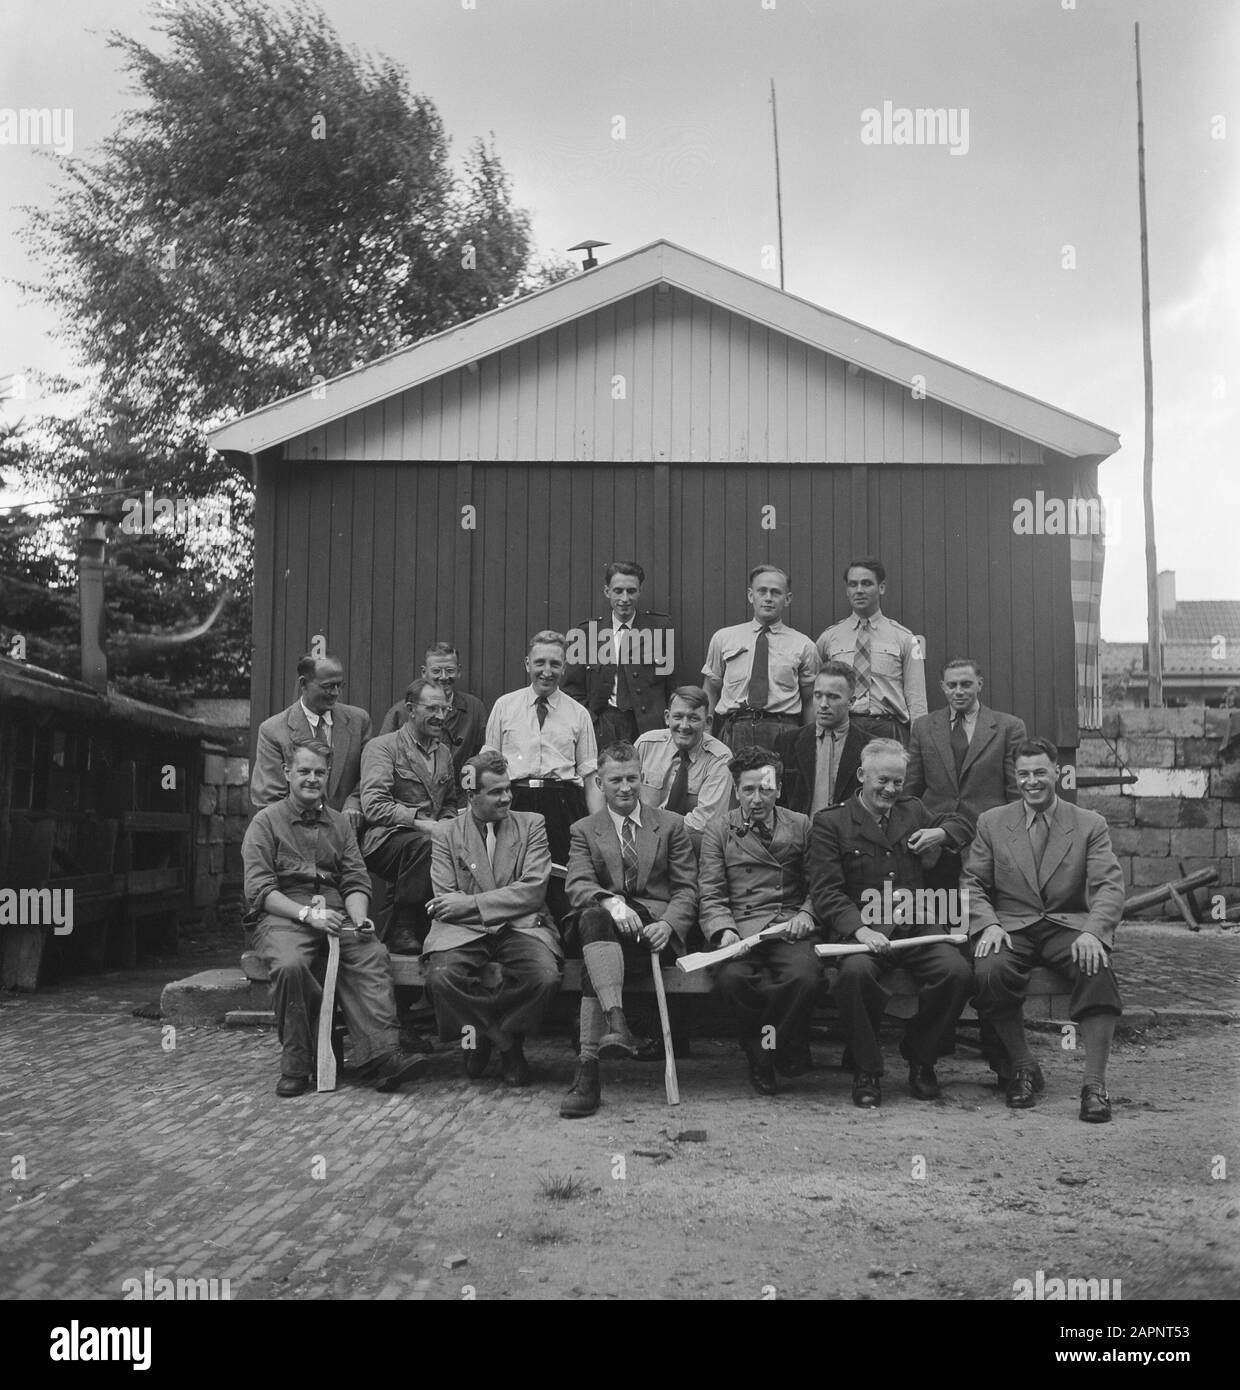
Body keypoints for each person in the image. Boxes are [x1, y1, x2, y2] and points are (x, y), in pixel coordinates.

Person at [241, 742, 427, 1097]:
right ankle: (297, 1061)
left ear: (327, 776)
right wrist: (308, 915)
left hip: (334, 912)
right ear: (287, 774)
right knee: (292, 965)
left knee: (371, 955)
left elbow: (355, 880)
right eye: (304, 771)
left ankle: (383, 1057)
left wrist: (358, 918)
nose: (312, 779)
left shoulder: (340, 824)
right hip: (283, 913)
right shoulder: (265, 823)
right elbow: (260, 891)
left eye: (319, 773)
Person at [963, 738, 1126, 1122]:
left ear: (1057, 772)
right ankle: (1022, 1066)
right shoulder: (992, 822)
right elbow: (972, 883)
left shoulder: (1089, 824)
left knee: (1096, 967)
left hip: (1066, 925)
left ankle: (1094, 1085)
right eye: (1023, 774)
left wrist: (1093, 932)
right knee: (989, 969)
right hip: (1011, 926)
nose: (1032, 781)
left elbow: (1109, 886)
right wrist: (986, 924)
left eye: (1039, 772)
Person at [808, 739, 973, 1108]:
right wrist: (859, 930)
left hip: (915, 925)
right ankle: (867, 1069)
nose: (890, 790)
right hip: (862, 930)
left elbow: (962, 825)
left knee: (956, 972)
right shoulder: (831, 822)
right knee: (854, 976)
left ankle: (921, 1058)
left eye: (898, 782)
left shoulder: (912, 811)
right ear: (862, 775)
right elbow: (826, 891)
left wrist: (941, 834)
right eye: (882, 781)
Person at [559, 742, 698, 1118]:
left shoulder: (670, 825)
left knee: (594, 956)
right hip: (602, 924)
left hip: (651, 936)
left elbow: (687, 889)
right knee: (593, 918)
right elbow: (577, 884)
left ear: (642, 779)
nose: (625, 787)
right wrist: (611, 901)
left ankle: (587, 1073)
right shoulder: (584, 830)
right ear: (600, 784)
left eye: (632, 779)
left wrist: (669, 925)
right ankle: (616, 1022)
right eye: (615, 780)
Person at [422, 751, 561, 1088]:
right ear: (471, 796)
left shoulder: (532, 824)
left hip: (521, 927)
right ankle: (504, 1043)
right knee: (440, 978)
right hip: (463, 931)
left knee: (544, 976)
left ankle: (486, 1037)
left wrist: (470, 902)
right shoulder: (446, 833)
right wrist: (493, 904)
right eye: (496, 792)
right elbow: (444, 900)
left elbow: (532, 892)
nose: (507, 797)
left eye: (508, 788)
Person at [699, 747, 822, 1095]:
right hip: (740, 929)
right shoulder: (719, 829)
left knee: (806, 977)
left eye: (765, 789)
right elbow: (710, 891)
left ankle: (767, 1051)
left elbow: (819, 885)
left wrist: (806, 914)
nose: (757, 799)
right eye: (748, 790)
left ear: (778, 789)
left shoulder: (800, 824)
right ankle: (773, 1049)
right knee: (733, 980)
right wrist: (723, 931)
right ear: (736, 791)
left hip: (787, 927)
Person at [485, 630, 603, 922]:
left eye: (554, 664)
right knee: (514, 873)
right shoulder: (504, 706)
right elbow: (489, 765)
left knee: (562, 878)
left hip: (562, 802)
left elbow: (590, 776)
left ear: (564, 667)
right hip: (515, 800)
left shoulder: (578, 714)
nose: (546, 671)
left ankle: (564, 937)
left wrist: (599, 828)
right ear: (527, 664)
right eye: (540, 663)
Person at [360, 679, 459, 954]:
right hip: (385, 839)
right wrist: (422, 824)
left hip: (432, 838)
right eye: (432, 708)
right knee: (424, 845)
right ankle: (403, 927)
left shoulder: (444, 754)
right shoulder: (383, 748)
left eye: (445, 709)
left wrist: (449, 822)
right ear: (411, 709)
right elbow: (374, 806)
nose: (440, 716)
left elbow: (450, 801)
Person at [702, 565, 819, 755]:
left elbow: (809, 701)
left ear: (787, 599)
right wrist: (706, 736)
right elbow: (710, 691)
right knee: (735, 784)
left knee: (775, 784)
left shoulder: (804, 645)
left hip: (782, 731)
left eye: (776, 592)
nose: (768, 598)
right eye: (762, 591)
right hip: (736, 730)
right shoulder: (724, 638)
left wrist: (810, 743)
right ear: (751, 595)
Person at [250, 653, 371, 830]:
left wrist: (354, 802)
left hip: (350, 835)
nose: (335, 693)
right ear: (303, 684)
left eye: (339, 685)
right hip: (295, 835)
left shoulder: (359, 721)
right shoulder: (273, 730)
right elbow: (269, 798)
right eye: (328, 686)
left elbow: (369, 776)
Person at [816, 558, 927, 745]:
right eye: (853, 584)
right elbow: (817, 692)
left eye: (866, 583)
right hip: (842, 729)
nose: (859, 590)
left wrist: (918, 747)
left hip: (888, 729)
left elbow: (917, 701)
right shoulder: (829, 638)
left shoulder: (906, 638)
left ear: (881, 588)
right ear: (847, 590)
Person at [562, 561, 675, 744]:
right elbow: (571, 690)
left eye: (631, 591)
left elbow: (671, 686)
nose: (625, 598)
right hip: (602, 725)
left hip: (648, 728)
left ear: (640, 591)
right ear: (607, 592)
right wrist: (593, 723)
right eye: (618, 591)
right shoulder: (587, 633)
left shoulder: (660, 629)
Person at [634, 685, 734, 853]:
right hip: (640, 840)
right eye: (678, 717)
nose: (684, 726)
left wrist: (654, 832)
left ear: (708, 722)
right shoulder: (646, 745)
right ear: (667, 717)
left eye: (693, 718)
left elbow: (705, 822)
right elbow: (624, 793)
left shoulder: (720, 758)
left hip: (689, 847)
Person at [377, 641, 487, 779]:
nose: (444, 677)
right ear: (424, 672)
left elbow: (479, 760)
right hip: (412, 796)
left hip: (459, 795)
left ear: (459, 671)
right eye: (436, 671)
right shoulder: (401, 711)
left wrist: (469, 797)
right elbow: (382, 755)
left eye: (450, 670)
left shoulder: (474, 708)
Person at [776, 662, 871, 816]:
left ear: (852, 702)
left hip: (849, 837)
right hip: (799, 836)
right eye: (818, 695)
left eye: (833, 697)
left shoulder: (869, 747)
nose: (823, 704)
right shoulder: (787, 742)